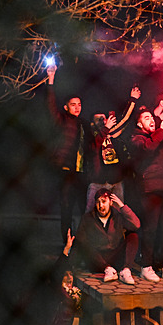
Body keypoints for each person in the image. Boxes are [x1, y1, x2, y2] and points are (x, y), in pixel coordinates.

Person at [130, 106, 163, 282]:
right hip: (149, 189)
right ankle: (146, 266)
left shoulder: (159, 137)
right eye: (146, 118)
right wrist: (161, 130)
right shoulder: (137, 138)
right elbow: (148, 148)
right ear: (139, 123)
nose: (151, 119)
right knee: (150, 230)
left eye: (152, 116)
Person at [46, 64, 94, 240]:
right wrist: (51, 80)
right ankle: (66, 245)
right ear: (66, 107)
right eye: (73, 105)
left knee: (84, 210)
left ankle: (82, 246)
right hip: (65, 170)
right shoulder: (63, 120)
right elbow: (50, 107)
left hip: (81, 173)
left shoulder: (83, 123)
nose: (77, 107)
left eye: (79, 104)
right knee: (66, 208)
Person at [86, 85, 142, 212]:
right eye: (99, 120)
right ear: (92, 123)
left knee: (118, 213)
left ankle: (118, 232)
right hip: (98, 181)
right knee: (90, 213)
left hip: (115, 180)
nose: (103, 121)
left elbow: (125, 119)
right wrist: (106, 128)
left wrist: (132, 100)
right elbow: (95, 145)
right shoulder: (91, 136)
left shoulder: (112, 132)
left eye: (104, 119)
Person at [72, 188, 141, 285]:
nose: (101, 206)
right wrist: (70, 266)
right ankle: (108, 270)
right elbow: (79, 241)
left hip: (115, 257)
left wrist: (122, 206)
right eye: (98, 202)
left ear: (111, 203)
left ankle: (125, 271)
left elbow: (136, 225)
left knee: (133, 236)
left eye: (104, 201)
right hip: (98, 261)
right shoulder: (88, 218)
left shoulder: (118, 216)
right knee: (85, 242)